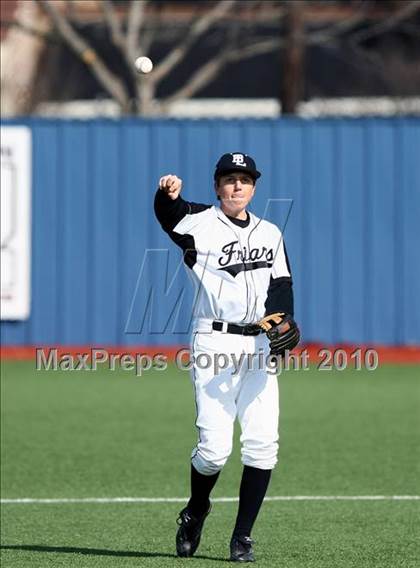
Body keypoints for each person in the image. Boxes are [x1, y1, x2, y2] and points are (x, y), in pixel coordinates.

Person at [154, 152, 299, 562]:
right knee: (214, 451)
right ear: (217, 186)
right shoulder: (199, 223)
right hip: (213, 343)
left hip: (257, 346)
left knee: (262, 444)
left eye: (245, 180)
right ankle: (197, 510)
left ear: (254, 188)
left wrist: (284, 321)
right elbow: (169, 215)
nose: (237, 186)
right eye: (229, 179)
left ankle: (242, 537)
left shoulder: (270, 232)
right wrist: (167, 194)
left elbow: (282, 283)